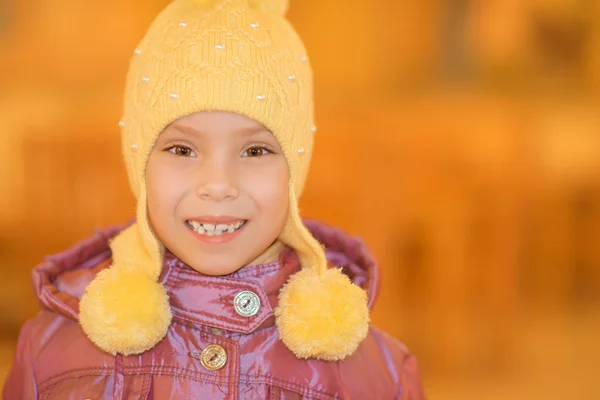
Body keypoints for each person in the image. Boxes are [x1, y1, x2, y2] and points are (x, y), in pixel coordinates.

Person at [3, 0, 426, 398]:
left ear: (296, 167)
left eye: (256, 151)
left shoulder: (377, 375)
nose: (218, 184)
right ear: (138, 161)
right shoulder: (52, 353)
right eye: (182, 150)